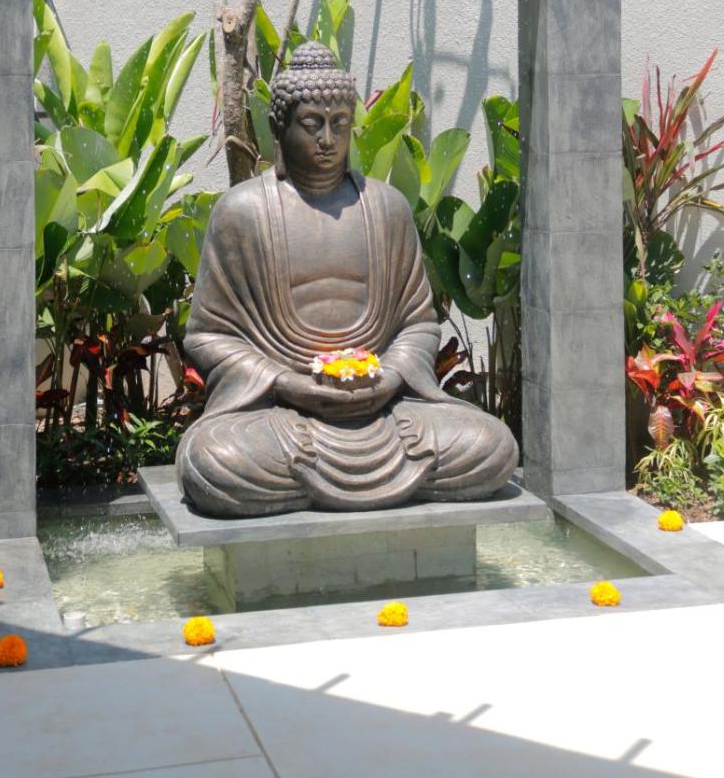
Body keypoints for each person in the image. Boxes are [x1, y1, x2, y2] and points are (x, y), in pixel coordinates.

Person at [176, 42, 518, 517]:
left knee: (492, 444)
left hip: (386, 412)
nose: (327, 139)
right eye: (311, 124)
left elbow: (419, 323)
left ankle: (316, 487)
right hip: (283, 416)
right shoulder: (242, 212)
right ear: (279, 128)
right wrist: (285, 382)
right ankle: (353, 479)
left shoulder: (386, 208)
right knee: (214, 460)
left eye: (339, 124)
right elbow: (209, 335)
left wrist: (392, 374)